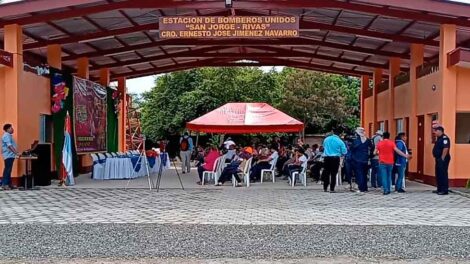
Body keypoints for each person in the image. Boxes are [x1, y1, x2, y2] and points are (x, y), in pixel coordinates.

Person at [321, 127, 347, 193]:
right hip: (335, 158)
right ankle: (332, 189)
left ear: (332, 132)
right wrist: (340, 153)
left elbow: (324, 147)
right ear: (340, 134)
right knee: (333, 174)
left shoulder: (326, 139)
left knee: (326, 173)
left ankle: (325, 188)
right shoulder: (340, 141)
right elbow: (344, 152)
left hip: (326, 158)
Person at [350, 127, 373, 193]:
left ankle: (361, 188)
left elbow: (352, 149)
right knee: (364, 174)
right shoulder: (367, 140)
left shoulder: (355, 140)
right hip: (365, 159)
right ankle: (365, 187)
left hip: (357, 159)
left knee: (359, 174)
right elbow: (372, 148)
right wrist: (370, 156)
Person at [432, 126, 451, 195]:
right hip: (438, 158)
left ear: (440, 131)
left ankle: (444, 190)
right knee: (438, 173)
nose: (434, 133)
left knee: (443, 174)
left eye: (435, 131)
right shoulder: (439, 138)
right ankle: (439, 189)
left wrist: (442, 158)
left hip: (443, 159)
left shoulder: (445, 138)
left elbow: (446, 148)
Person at [2, 124, 19, 190]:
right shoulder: (6, 136)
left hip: (10, 155)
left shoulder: (9, 136)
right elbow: (9, 145)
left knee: (9, 170)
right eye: (11, 128)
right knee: (7, 170)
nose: (12, 129)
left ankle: (9, 184)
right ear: (7, 129)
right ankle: (5, 184)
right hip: (8, 155)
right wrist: (16, 152)